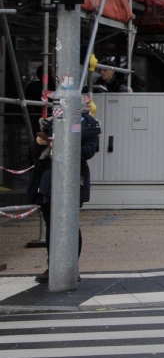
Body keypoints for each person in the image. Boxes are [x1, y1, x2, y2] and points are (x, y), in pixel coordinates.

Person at [25, 103, 101, 284]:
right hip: (47, 181)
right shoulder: (50, 124)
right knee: (52, 224)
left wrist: (64, 146)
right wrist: (39, 144)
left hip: (71, 181)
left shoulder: (89, 126)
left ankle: (71, 266)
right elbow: (34, 156)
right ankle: (53, 265)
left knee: (69, 224)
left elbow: (89, 151)